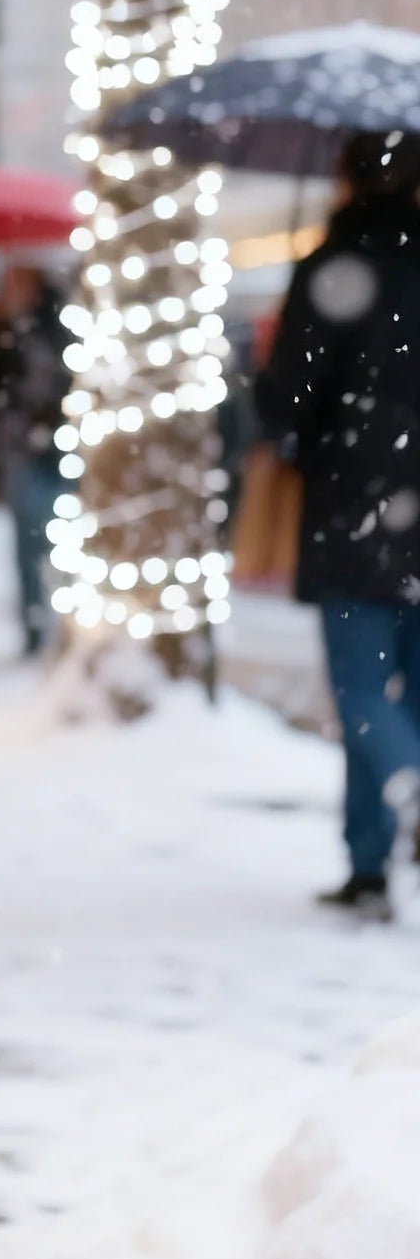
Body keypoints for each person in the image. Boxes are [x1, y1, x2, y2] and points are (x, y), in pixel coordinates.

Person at [256, 128, 420, 923]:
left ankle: (395, 807)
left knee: (362, 689)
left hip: (354, 502)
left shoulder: (334, 267)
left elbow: (286, 400)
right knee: (409, 695)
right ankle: (367, 862)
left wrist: (293, 427)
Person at [0, 263, 72, 655]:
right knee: (36, 542)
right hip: (41, 447)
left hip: (43, 448)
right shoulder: (22, 331)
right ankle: (39, 623)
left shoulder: (29, 334)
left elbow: (21, 392)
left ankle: (41, 623)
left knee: (36, 542)